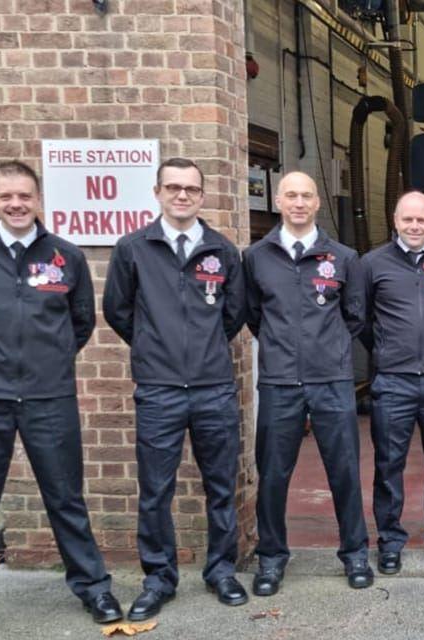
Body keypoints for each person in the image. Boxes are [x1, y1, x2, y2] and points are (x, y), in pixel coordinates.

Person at [0, 161, 120, 638]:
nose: (16, 204)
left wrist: (46, 364)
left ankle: (94, 587)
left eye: (25, 196)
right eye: (6, 196)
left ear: (38, 200)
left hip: (48, 398)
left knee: (66, 498)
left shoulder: (65, 257)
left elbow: (80, 324)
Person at [102, 157, 247, 620]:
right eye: (173, 187)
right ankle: (159, 577)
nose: (182, 195)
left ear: (202, 196)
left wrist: (200, 350)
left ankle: (221, 569)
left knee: (221, 485)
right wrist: (154, 347)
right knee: (155, 490)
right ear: (158, 192)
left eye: (190, 189)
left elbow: (234, 314)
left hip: (213, 389)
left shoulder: (222, 251)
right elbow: (117, 310)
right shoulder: (133, 249)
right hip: (159, 389)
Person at [243, 172, 373, 594]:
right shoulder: (257, 257)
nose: (299, 203)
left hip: (331, 380)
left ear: (318, 202)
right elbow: (251, 314)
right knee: (274, 474)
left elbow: (354, 315)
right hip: (280, 381)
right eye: (291, 195)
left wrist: (325, 347)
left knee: (344, 472)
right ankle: (272, 558)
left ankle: (354, 554)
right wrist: (284, 347)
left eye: (307, 196)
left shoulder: (343, 257)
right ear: (279, 200)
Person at [360, 191, 424, 574]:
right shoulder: (372, 264)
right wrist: (389, 351)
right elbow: (362, 320)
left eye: (422, 220)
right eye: (408, 220)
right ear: (395, 220)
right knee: (389, 467)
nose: (415, 226)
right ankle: (390, 542)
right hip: (393, 383)